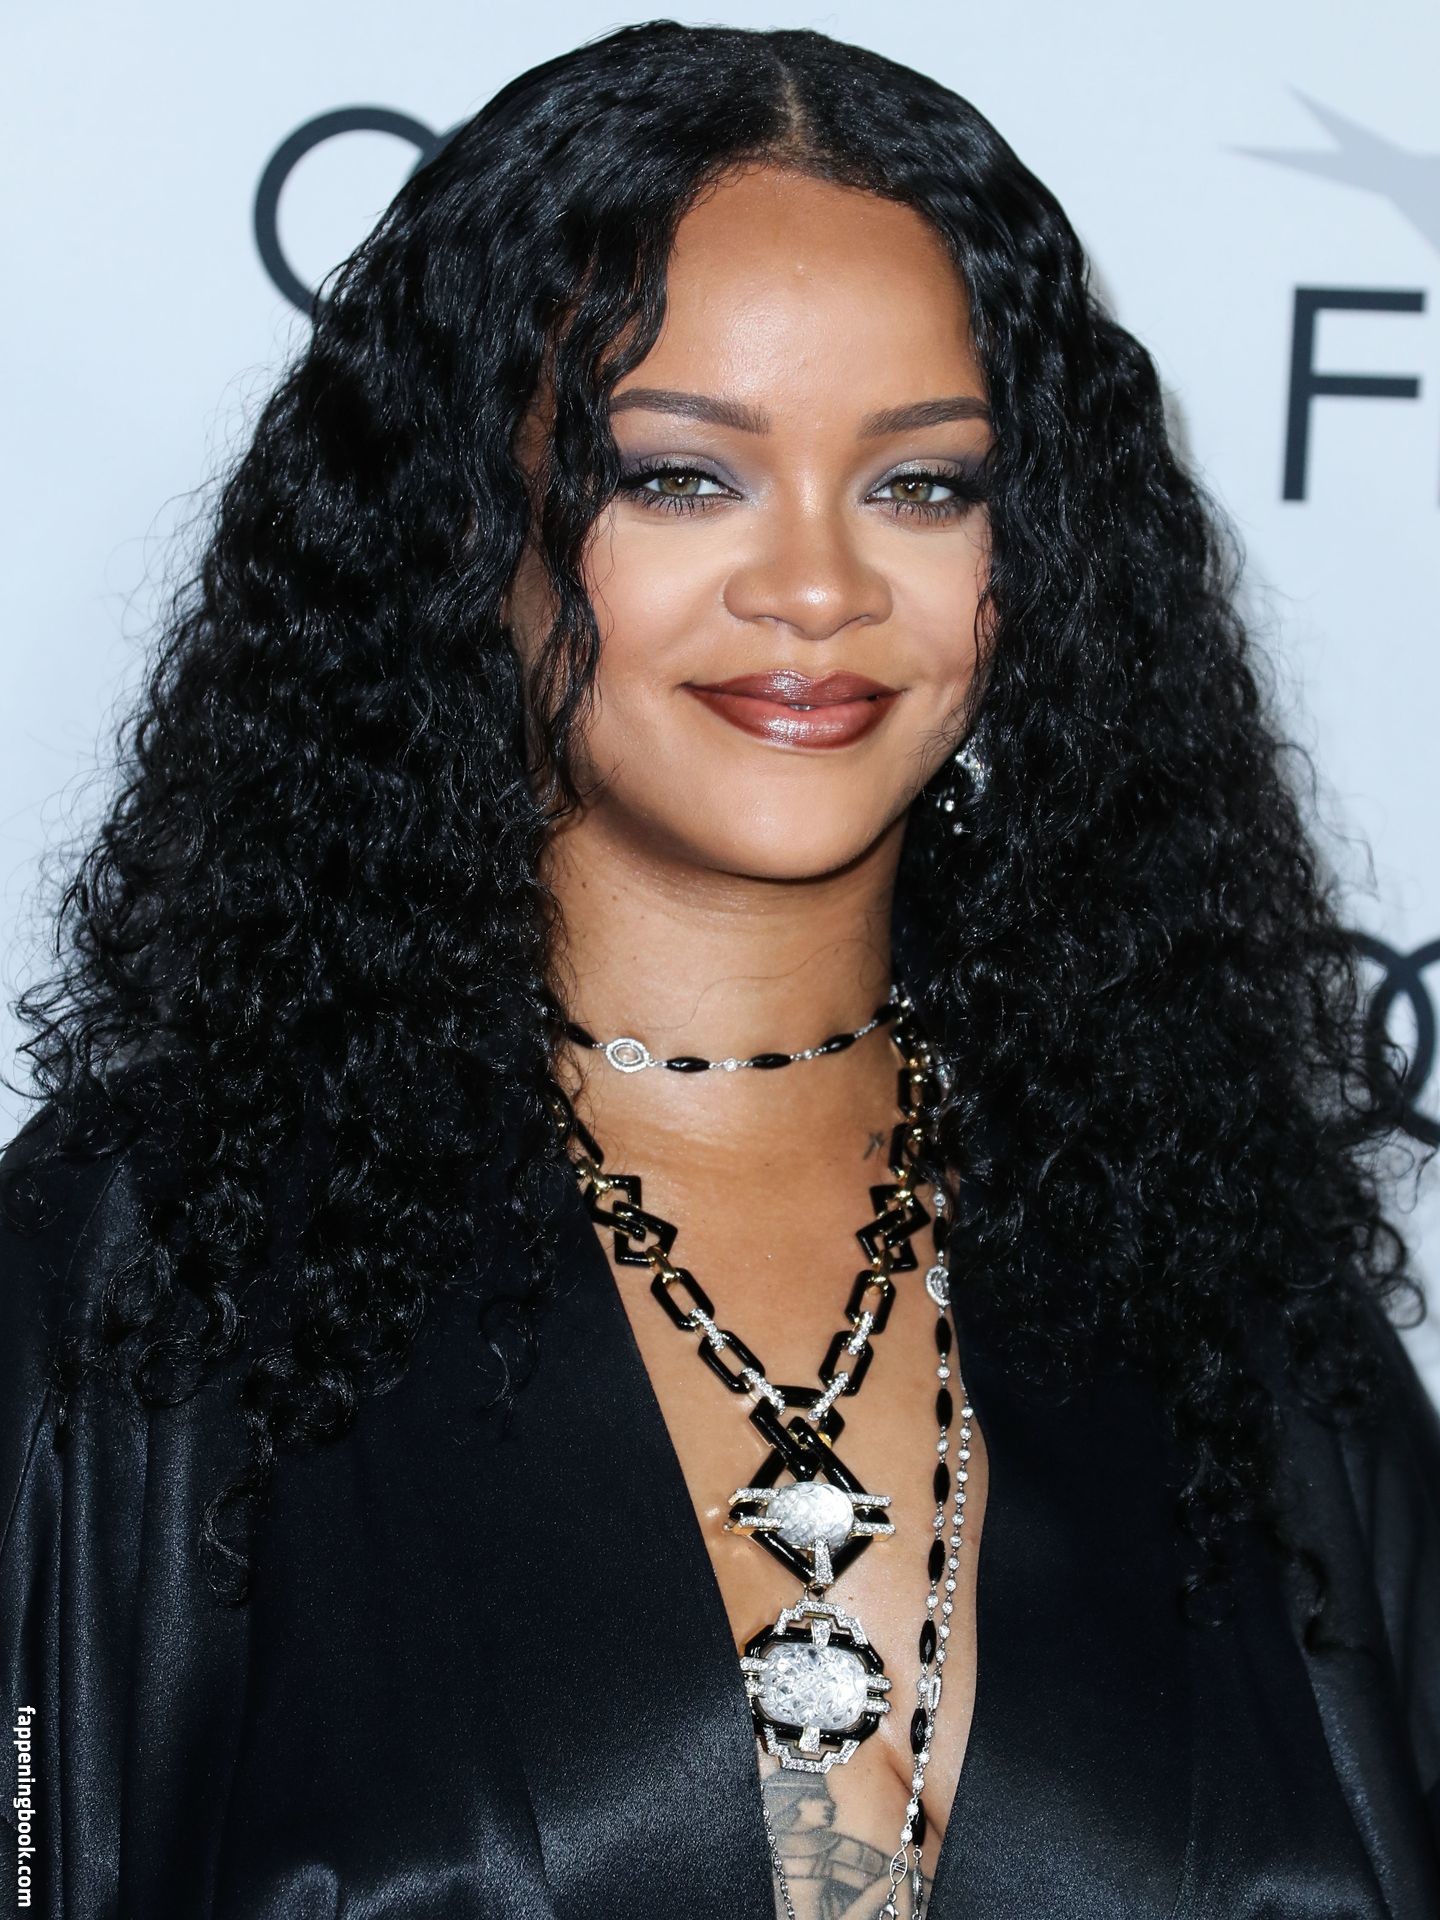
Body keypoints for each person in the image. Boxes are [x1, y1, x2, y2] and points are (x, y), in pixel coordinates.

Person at [2, 19, 1438, 1918]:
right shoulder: (138, 1276)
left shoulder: (1227, 1282)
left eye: (924, 484)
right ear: (466, 519)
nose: (818, 587)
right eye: (682, 477)